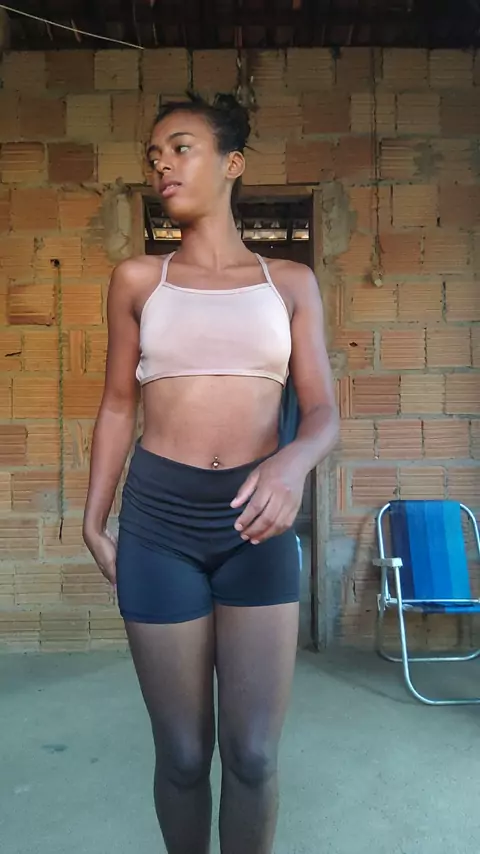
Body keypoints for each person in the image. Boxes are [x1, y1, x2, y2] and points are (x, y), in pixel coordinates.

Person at [83, 92, 339, 854]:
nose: (161, 164)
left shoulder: (288, 283)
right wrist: (93, 518)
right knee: (185, 755)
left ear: (232, 163)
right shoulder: (139, 280)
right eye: (153, 154)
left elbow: (323, 411)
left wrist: (293, 462)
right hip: (160, 523)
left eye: (180, 147)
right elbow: (118, 406)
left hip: (256, 525)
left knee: (253, 757)